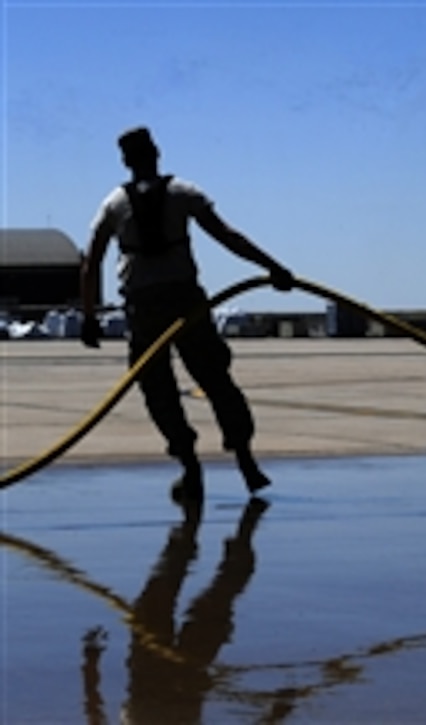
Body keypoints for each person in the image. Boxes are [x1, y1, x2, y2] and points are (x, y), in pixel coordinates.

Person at [80, 126, 294, 504]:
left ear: (126, 160)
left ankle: (190, 467)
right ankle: (245, 460)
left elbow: (91, 264)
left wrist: (89, 316)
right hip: (185, 300)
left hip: (144, 305)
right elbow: (228, 236)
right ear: (156, 153)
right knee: (215, 378)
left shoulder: (113, 203)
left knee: (159, 390)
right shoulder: (183, 193)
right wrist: (274, 267)